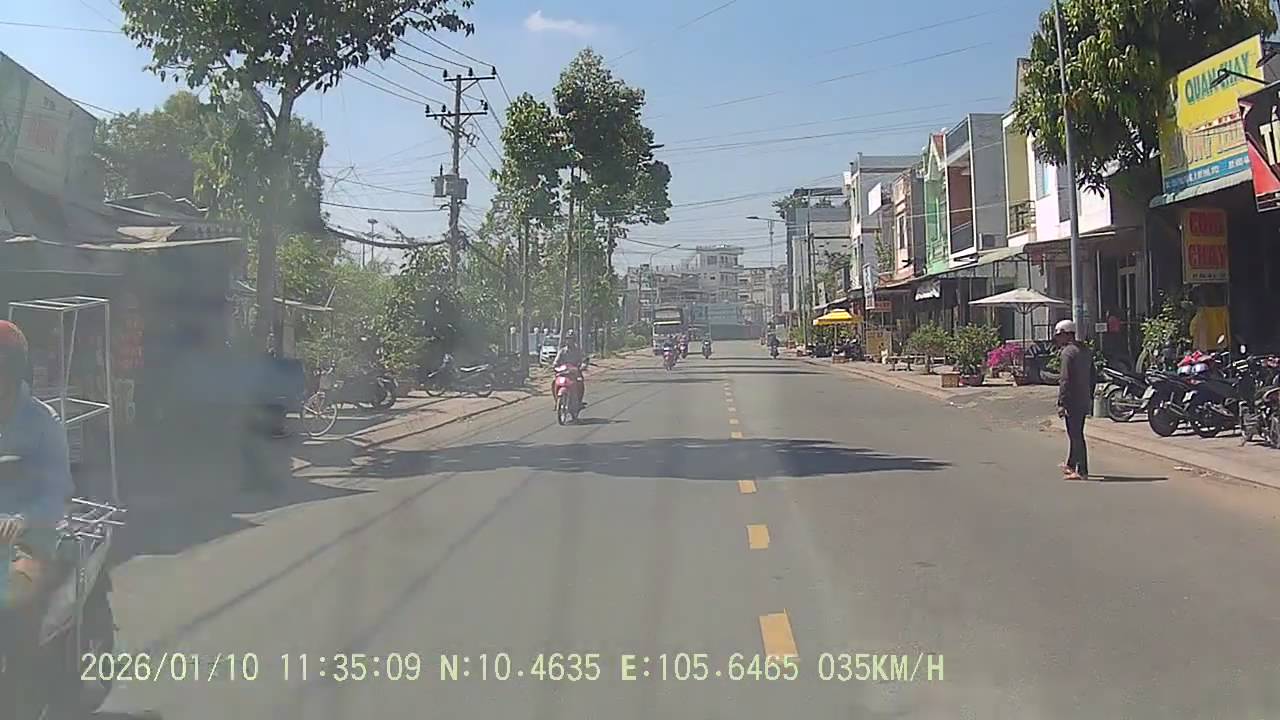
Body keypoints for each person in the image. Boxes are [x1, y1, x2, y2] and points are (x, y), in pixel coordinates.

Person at [0, 320, 72, 632]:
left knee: (16, 598)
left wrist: (22, 520)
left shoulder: (44, 423)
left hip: (28, 541)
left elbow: (56, 494)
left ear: (12, 371)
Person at [1054, 319, 1092, 480]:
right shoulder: (1085, 351)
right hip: (1083, 397)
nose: (1057, 339)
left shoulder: (1068, 353)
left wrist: (1061, 402)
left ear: (1066, 334)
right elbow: (1093, 375)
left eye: (1059, 335)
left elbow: (1065, 379)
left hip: (1072, 399)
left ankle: (1082, 470)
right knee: (1075, 432)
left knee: (1075, 435)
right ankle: (1070, 464)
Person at [552, 330, 586, 405]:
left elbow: (583, 360)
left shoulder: (578, 351)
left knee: (580, 382)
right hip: (563, 372)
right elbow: (556, 361)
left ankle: (579, 401)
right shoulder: (562, 351)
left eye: (571, 339)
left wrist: (582, 366)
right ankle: (556, 401)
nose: (569, 341)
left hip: (575, 373)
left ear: (574, 340)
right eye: (568, 339)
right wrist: (554, 365)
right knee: (554, 381)